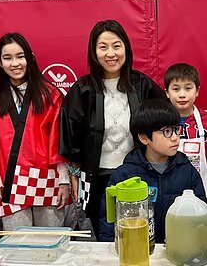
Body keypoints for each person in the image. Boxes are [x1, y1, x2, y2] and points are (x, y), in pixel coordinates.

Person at [59, 19, 166, 238]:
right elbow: (71, 135)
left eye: (116, 46)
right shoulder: (82, 89)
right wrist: (74, 174)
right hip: (96, 178)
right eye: (103, 47)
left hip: (138, 175)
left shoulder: (143, 85)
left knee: (140, 231)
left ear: (126, 48)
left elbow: (164, 118)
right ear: (94, 52)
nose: (111, 53)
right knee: (103, 234)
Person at [0, 33, 71, 229]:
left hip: (48, 179)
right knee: (16, 244)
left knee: (51, 243)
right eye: (8, 58)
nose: (15, 63)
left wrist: (64, 181)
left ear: (30, 57)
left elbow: (58, 140)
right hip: (10, 181)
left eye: (20, 56)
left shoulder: (50, 94)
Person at [99, 99, 207, 242]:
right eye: (167, 132)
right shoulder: (124, 175)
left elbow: (201, 216)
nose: (175, 137)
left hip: (177, 248)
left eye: (176, 129)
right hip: (136, 248)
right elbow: (108, 223)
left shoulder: (187, 171)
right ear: (144, 138)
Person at [164, 63, 207, 231]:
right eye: (176, 89)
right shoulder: (160, 124)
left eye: (188, 88)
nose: (182, 94)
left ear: (197, 91)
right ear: (167, 92)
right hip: (170, 193)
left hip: (205, 194)